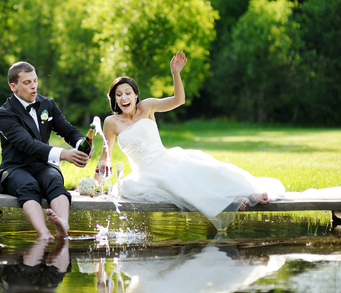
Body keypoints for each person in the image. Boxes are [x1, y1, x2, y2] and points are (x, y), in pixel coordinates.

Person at [94, 51, 285, 220]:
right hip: (144, 173)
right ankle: (230, 200)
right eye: (119, 95)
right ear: (114, 99)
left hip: (165, 159)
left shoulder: (147, 106)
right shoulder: (111, 123)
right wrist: (93, 185)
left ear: (136, 95)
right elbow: (105, 159)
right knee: (153, 184)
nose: (124, 98)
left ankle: (248, 194)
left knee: (197, 168)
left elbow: (179, 100)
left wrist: (175, 73)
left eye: (128, 93)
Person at [0, 61, 90, 239]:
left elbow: (68, 131)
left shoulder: (48, 104)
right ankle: (44, 234)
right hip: (15, 167)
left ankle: (63, 226)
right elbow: (27, 143)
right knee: (28, 186)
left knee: (54, 180)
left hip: (43, 165)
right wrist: (64, 154)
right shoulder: (5, 113)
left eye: (35, 80)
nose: (33, 86)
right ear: (13, 87)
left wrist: (82, 143)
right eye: (27, 82)